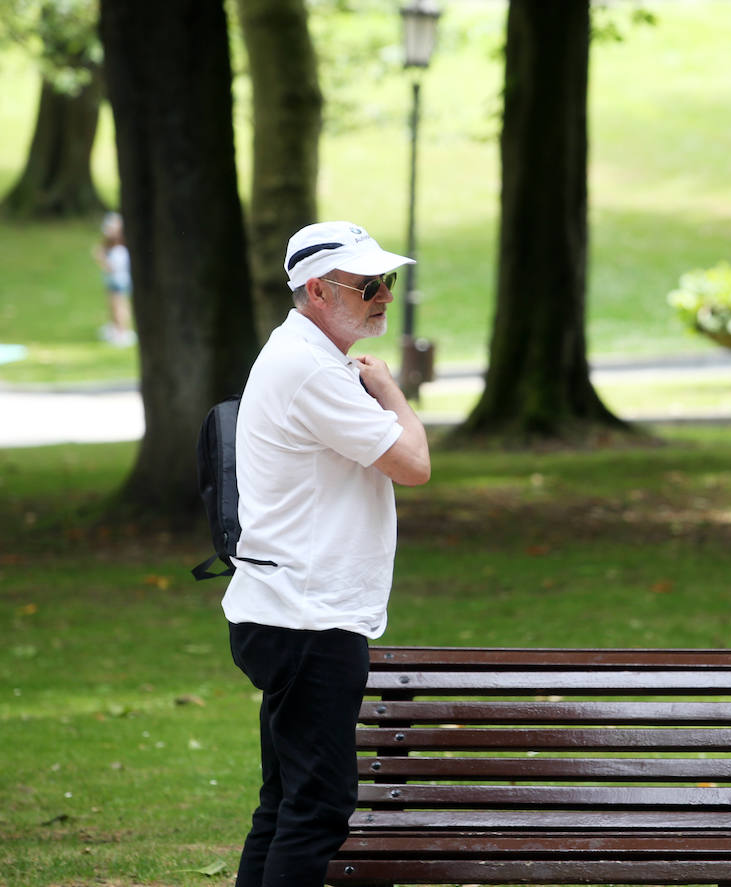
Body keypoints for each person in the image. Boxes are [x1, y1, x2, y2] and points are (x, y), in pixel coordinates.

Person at [222, 220, 432, 887]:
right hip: (308, 617)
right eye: (368, 284)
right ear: (316, 289)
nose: (383, 297)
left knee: (285, 801)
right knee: (318, 806)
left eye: (388, 282)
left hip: (290, 611)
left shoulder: (309, 359)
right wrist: (394, 393)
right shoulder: (310, 369)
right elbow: (414, 463)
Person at [93, 212, 135, 346]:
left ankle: (122, 333)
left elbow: (112, 268)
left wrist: (100, 258)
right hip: (113, 282)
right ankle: (115, 329)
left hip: (119, 282)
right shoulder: (113, 248)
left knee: (119, 306)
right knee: (113, 305)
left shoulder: (120, 250)